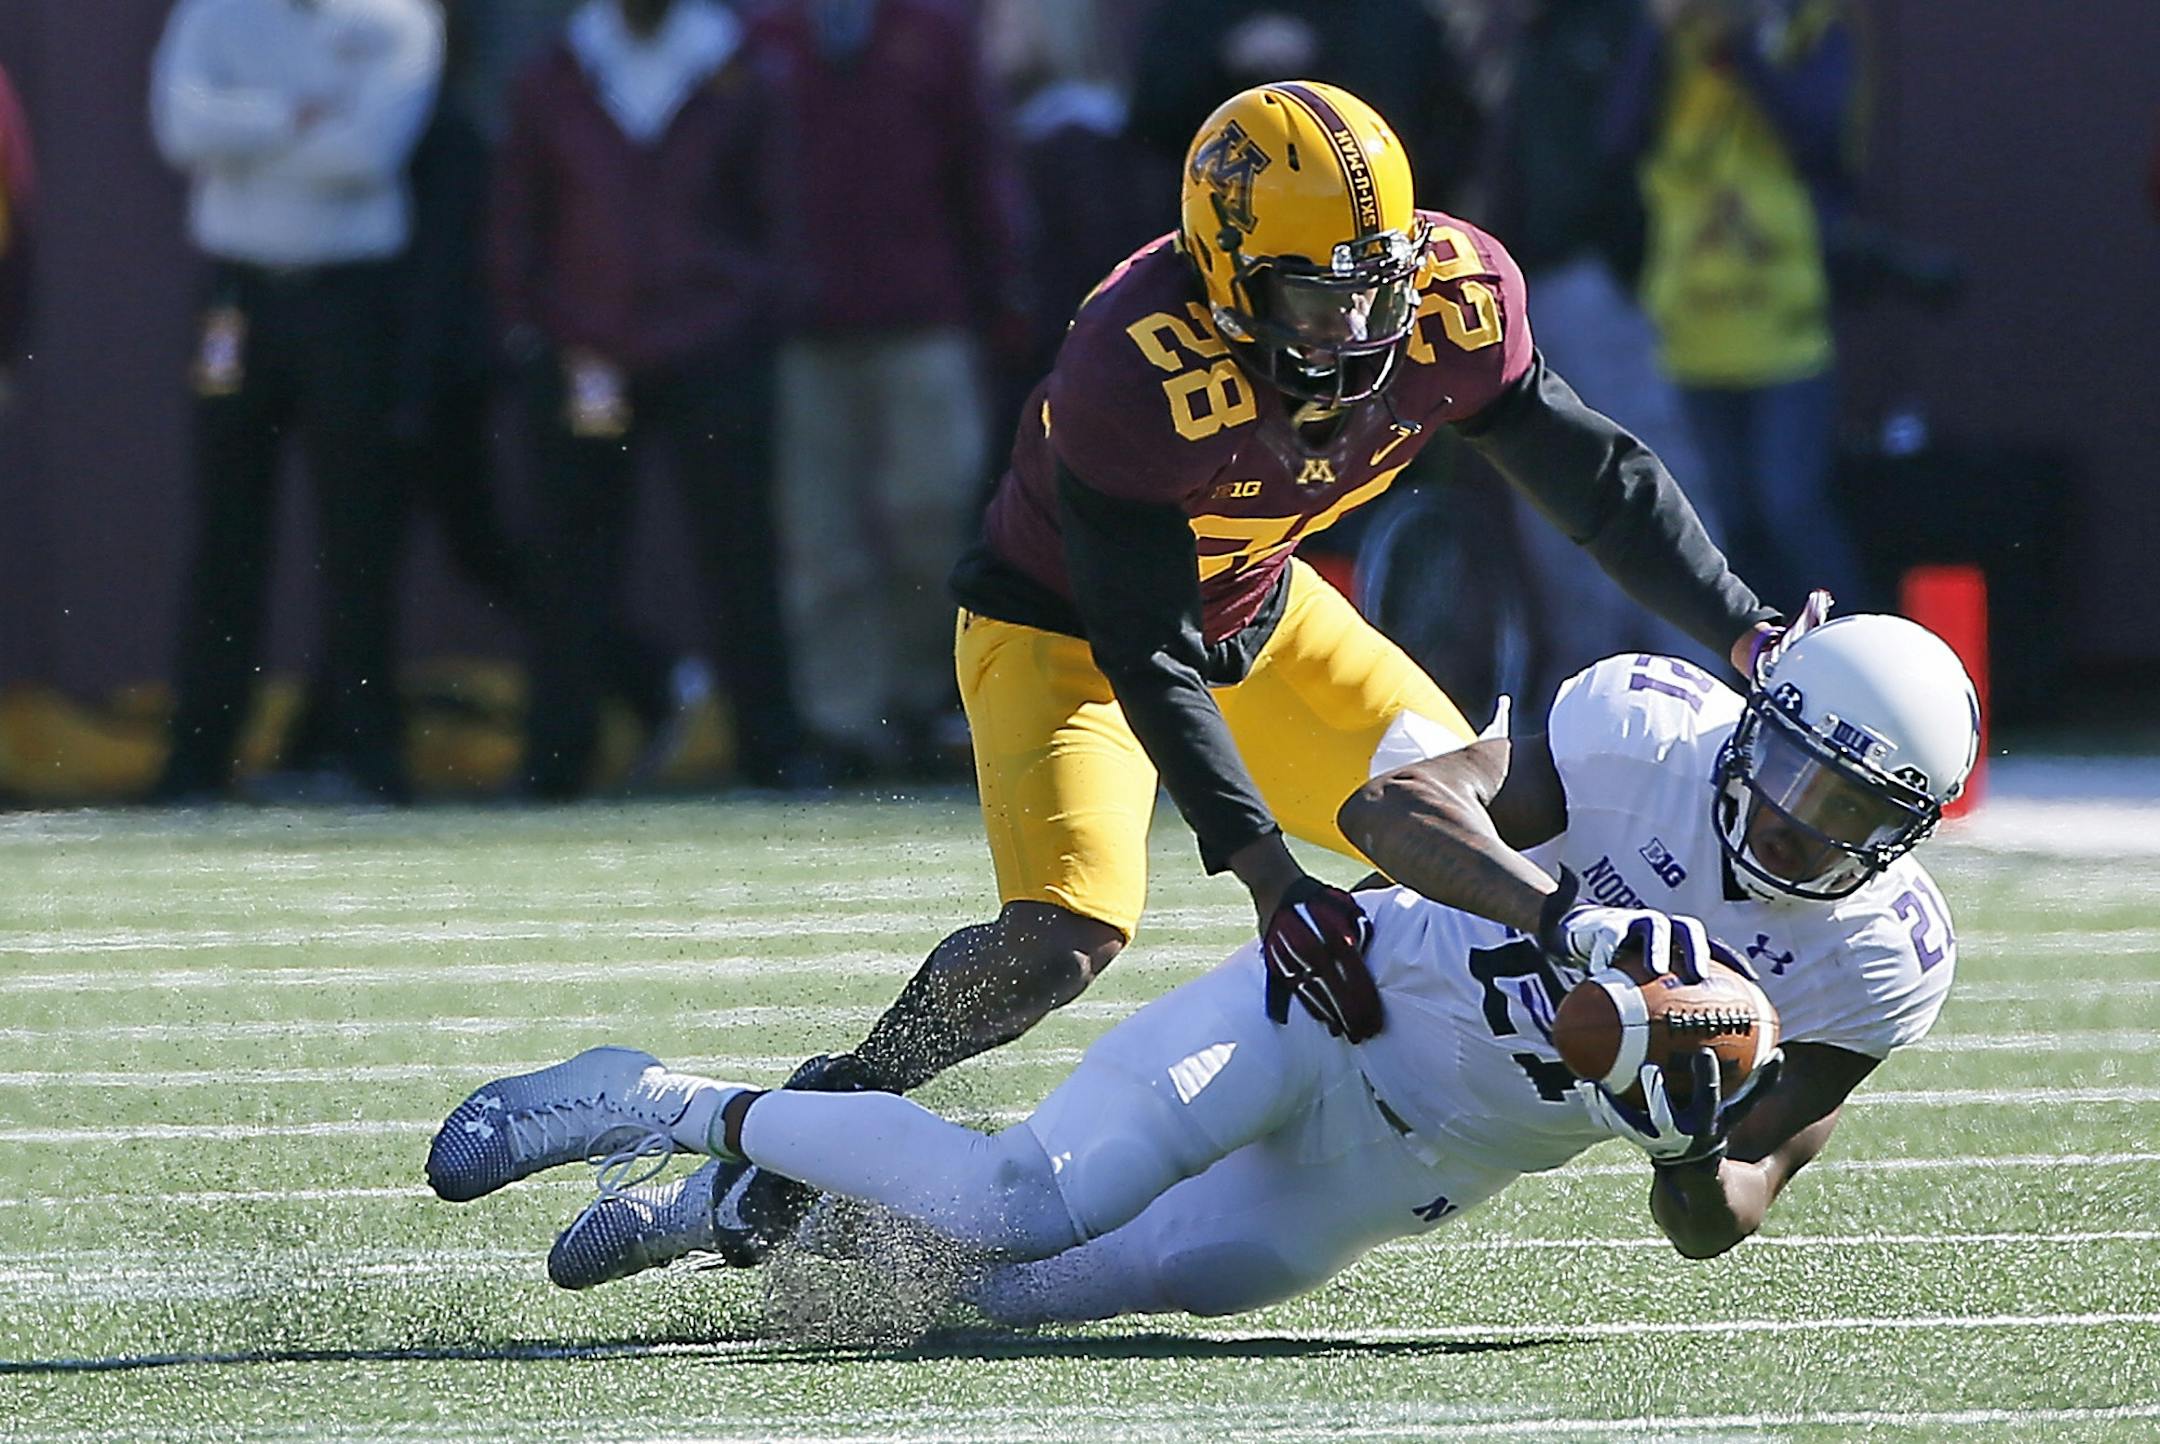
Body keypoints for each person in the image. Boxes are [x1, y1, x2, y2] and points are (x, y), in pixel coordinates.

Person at [427, 611, 1979, 1315]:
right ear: (1756, 723)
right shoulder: (1647, 728)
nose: (1797, 822)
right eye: (1793, 772)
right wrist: (1562, 923)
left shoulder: (1882, 962)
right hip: (1339, 998)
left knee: (988, 1290)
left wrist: (1696, 1128)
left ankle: (718, 1214)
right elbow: (1391, 805)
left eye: (1852, 812)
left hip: (1427, 1162)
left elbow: (1724, 1217)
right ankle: (660, 1100)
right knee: (1025, 1196)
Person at [492, 0, 808, 795]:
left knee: (740, 555)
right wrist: (541, 327)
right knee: (571, 561)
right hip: (585, 350)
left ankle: (772, 751)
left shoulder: (738, 71)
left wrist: (743, 312)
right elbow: (520, 213)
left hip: (713, 344)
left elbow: (777, 212)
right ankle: (555, 760)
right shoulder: (560, 73)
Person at [148, 0, 444, 804]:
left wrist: (241, 134)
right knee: (225, 535)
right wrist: (294, 114)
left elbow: (366, 151)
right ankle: (198, 764)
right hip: (237, 299)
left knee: (356, 532)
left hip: (350, 296)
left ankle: (365, 755)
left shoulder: (397, 19)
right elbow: (178, 127)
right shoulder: (214, 11)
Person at [754, 0, 1032, 781]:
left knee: (932, 510)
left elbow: (979, 159)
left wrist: (1001, 289)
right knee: (819, 537)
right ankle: (844, 724)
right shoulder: (763, 31)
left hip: (923, 313)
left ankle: (922, 697)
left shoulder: (932, 29)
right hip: (804, 326)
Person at [1610, 0, 1867, 611]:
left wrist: (1744, 47)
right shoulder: (1675, 45)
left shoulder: (1814, 35)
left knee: (1790, 507)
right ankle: (1760, 669)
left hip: (1785, 326)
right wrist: (1659, 33)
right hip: (1693, 328)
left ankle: (1848, 646)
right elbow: (1616, 138)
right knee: (1727, 524)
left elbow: (1819, 136)